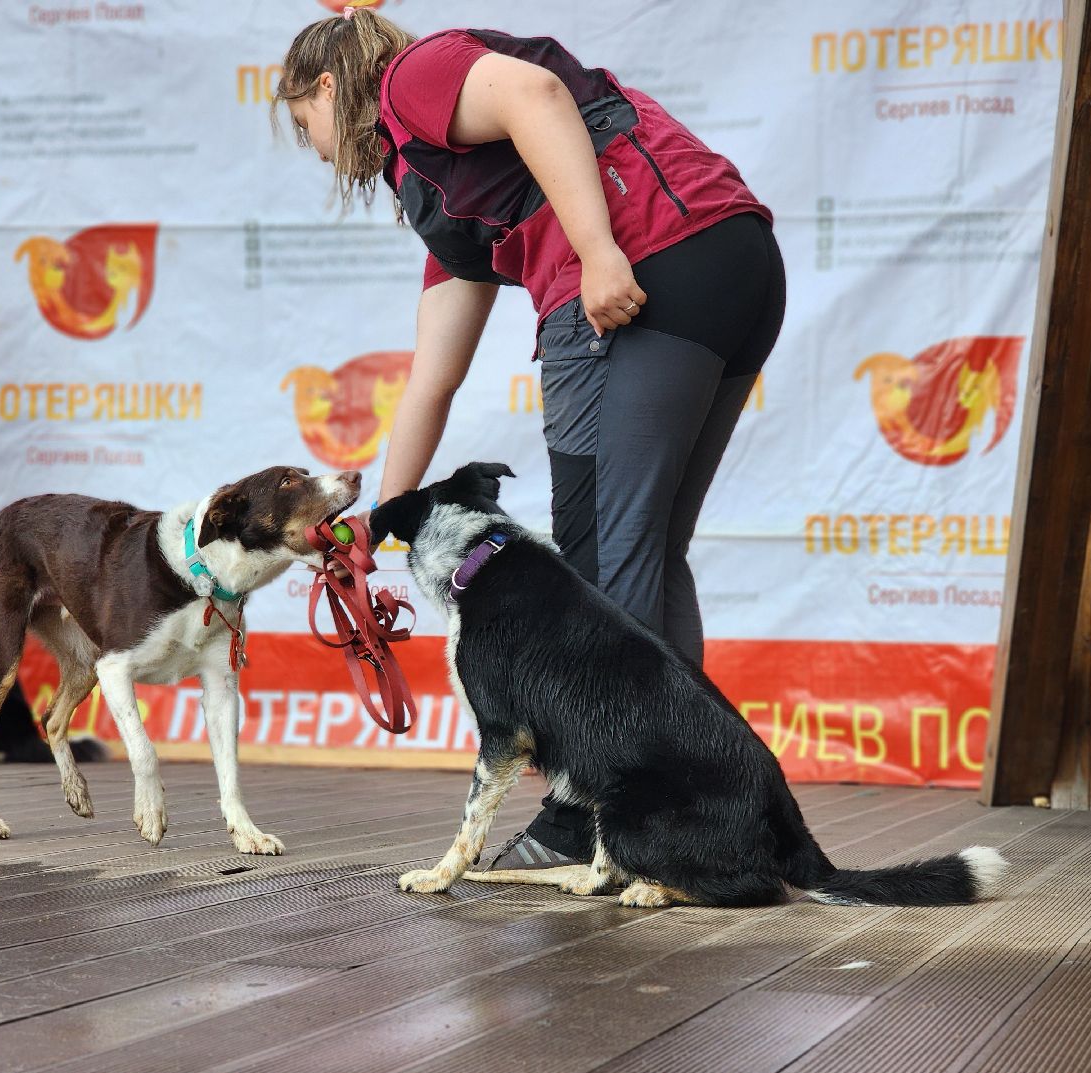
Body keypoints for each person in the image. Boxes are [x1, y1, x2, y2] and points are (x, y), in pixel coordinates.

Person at [275, 10, 785, 877]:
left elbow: (536, 93)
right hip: (732, 263)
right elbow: (433, 380)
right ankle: (693, 810)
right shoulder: (446, 198)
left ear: (329, 87)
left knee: (600, 562)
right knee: (646, 554)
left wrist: (597, 253)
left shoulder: (413, 78)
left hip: (653, 262)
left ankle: (583, 813)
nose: (315, 150)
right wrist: (380, 524)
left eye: (302, 126)